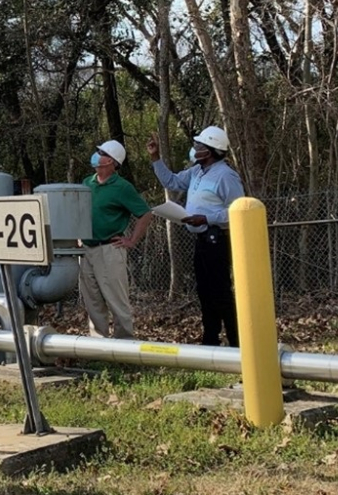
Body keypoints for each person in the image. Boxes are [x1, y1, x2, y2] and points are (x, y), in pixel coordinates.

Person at [148, 126, 245, 346]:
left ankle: (236, 341)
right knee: (204, 291)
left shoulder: (227, 177)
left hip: (217, 239)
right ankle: (210, 339)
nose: (195, 149)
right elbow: (171, 182)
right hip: (202, 241)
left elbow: (238, 211)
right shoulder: (196, 172)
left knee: (220, 292)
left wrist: (207, 219)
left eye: (199, 146)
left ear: (210, 151)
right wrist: (156, 158)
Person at [79, 140, 153, 339]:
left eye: (101, 153)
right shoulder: (87, 183)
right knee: (92, 301)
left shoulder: (122, 187)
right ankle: (99, 346)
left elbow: (145, 214)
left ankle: (125, 345)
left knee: (116, 300)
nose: (96, 155)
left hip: (109, 249)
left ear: (112, 161)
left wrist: (131, 240)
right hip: (86, 249)